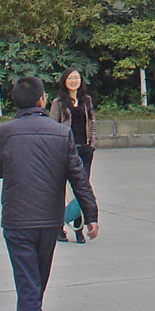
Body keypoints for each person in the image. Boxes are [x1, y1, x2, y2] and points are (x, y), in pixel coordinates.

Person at [0, 76, 99, 311]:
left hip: (17, 221)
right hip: (50, 221)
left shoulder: (3, 133)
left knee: (28, 286)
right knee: (35, 284)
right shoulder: (61, 134)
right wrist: (91, 214)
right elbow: (78, 177)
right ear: (41, 101)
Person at [48, 67, 96, 243]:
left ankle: (78, 228)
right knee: (60, 189)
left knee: (81, 191)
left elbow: (92, 122)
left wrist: (92, 144)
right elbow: (52, 126)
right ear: (64, 81)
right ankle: (59, 227)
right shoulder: (58, 102)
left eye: (76, 78)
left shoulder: (87, 100)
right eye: (70, 78)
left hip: (84, 150)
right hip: (65, 151)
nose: (74, 81)